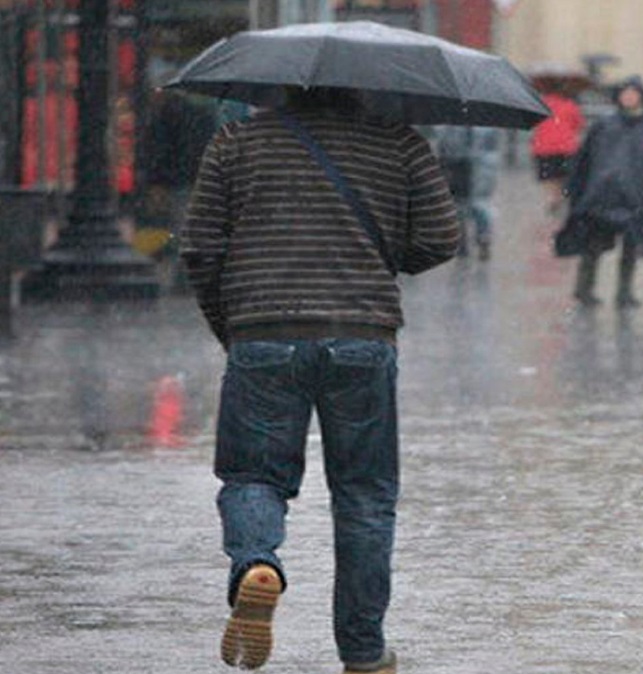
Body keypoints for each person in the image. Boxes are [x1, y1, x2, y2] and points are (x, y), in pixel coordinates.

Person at [181, 87, 459, 674]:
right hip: (363, 334)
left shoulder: (236, 141)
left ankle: (258, 563)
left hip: (263, 330)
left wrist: (232, 327)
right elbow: (441, 239)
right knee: (364, 497)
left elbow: (201, 247)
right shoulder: (401, 143)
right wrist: (379, 245)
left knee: (254, 474)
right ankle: (362, 652)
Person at [554, 76, 643, 308]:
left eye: (633, 93)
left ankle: (624, 293)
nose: (629, 97)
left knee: (630, 247)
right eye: (625, 93)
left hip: (635, 196)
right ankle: (584, 289)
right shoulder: (604, 125)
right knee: (593, 245)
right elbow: (585, 158)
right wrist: (578, 188)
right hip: (603, 194)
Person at [435, 125, 503, 260]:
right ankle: (478, 238)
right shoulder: (487, 123)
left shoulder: (447, 122)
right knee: (474, 204)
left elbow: (443, 147)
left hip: (466, 166)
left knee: (467, 204)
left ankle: (470, 239)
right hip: (471, 166)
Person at [530, 84, 587, 215]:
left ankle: (552, 198)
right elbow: (580, 125)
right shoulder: (570, 105)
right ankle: (559, 197)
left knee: (548, 177)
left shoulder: (540, 104)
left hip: (543, 146)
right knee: (562, 175)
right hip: (566, 147)